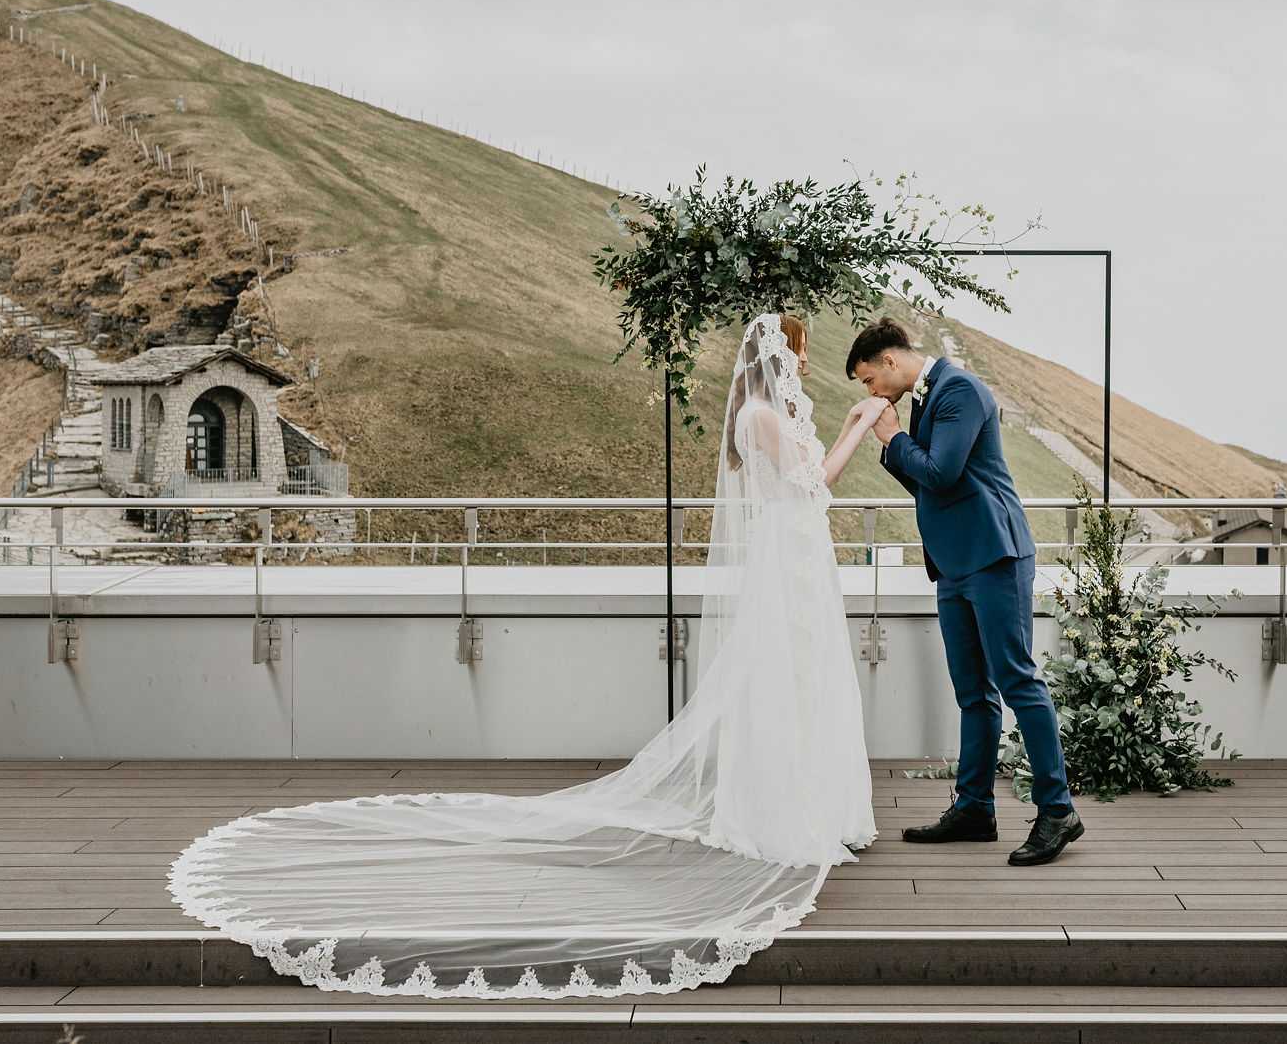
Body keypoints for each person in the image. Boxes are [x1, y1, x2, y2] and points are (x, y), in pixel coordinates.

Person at [168, 313, 885, 998]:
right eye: (795, 351)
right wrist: (854, 425)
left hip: (798, 560)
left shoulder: (773, 417)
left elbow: (804, 484)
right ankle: (778, 810)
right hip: (789, 563)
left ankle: (810, 799)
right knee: (780, 681)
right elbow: (814, 483)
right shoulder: (760, 417)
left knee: (803, 680)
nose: (801, 363)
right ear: (773, 360)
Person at [848, 317, 1084, 866]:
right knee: (973, 692)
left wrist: (892, 438)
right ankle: (975, 807)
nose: (870, 391)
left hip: (995, 555)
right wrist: (897, 446)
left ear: (889, 361)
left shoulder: (960, 390)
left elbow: (944, 473)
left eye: (868, 379)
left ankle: (1058, 811)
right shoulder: (924, 397)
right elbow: (927, 480)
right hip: (954, 565)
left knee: (1018, 681)